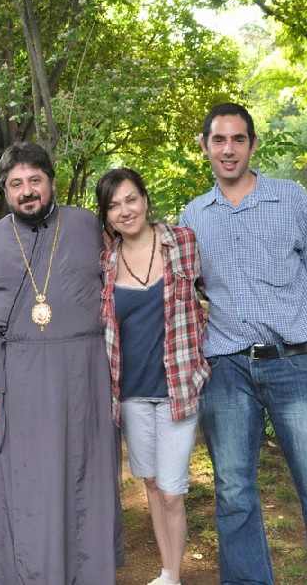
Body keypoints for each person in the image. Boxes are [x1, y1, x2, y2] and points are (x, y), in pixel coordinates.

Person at [180, 102, 307, 584]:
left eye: (238, 139)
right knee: (233, 494)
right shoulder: (192, 216)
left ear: (252, 145)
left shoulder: (291, 199)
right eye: (218, 140)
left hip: (295, 363)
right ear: (204, 146)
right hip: (226, 368)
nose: (228, 149)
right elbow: (185, 292)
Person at [0, 142, 119, 584]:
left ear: (52, 181)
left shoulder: (88, 226)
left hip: (85, 374)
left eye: (35, 180)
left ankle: (87, 573)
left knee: (85, 473)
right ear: (5, 190)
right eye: (16, 184)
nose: (27, 191)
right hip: (20, 378)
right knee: (28, 480)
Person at [97, 167, 210, 585]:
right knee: (150, 484)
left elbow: (214, 294)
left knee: (172, 491)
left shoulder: (183, 243)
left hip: (178, 389)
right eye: (114, 205)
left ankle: (173, 575)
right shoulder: (106, 263)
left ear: (145, 200)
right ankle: (167, 573)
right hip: (130, 394)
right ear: (106, 215)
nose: (125, 210)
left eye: (131, 199)